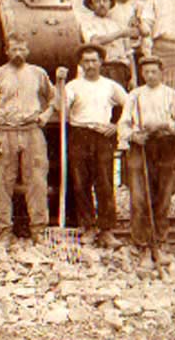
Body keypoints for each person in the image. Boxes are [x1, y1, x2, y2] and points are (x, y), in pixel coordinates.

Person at [0, 33, 56, 247]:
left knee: (36, 181)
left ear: (28, 50)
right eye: (14, 49)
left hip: (32, 131)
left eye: (22, 49)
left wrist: (45, 115)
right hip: (4, 132)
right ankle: (4, 230)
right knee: (2, 183)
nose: (18, 53)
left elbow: (54, 98)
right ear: (7, 51)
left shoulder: (38, 73)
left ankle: (38, 230)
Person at [117, 56, 175, 266]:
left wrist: (168, 126)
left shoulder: (171, 95)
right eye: (146, 72)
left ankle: (159, 244)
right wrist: (133, 136)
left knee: (163, 197)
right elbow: (123, 125)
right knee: (140, 198)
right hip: (142, 146)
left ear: (161, 72)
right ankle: (142, 246)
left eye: (154, 72)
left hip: (165, 146)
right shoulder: (135, 96)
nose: (150, 76)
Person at [60, 43, 127, 248]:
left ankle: (106, 230)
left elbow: (130, 105)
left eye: (94, 60)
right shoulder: (72, 86)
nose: (90, 65)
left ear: (101, 62)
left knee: (105, 183)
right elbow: (61, 107)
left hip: (102, 136)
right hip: (80, 134)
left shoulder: (110, 86)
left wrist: (116, 126)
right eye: (86, 61)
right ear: (81, 63)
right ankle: (88, 227)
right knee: (81, 183)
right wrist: (59, 83)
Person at [80, 0, 137, 90]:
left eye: (105, 1)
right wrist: (120, 33)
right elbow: (95, 41)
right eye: (98, 1)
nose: (102, 4)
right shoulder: (87, 24)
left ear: (110, 4)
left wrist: (134, 78)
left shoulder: (117, 25)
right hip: (102, 69)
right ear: (91, 5)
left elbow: (129, 53)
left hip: (121, 70)